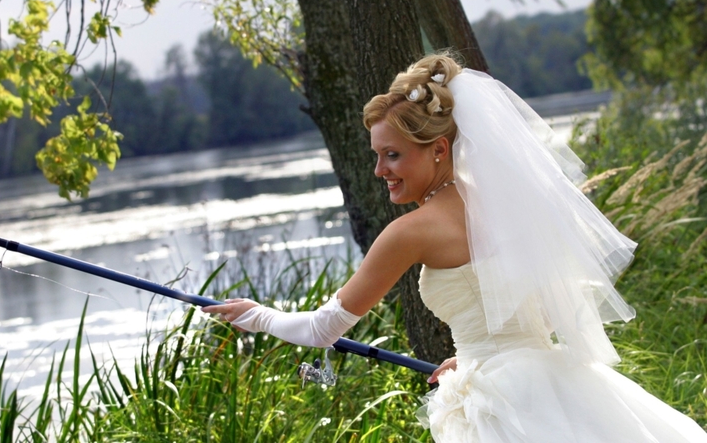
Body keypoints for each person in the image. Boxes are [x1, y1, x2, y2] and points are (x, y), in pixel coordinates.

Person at [203, 53, 707, 442]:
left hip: (499, 405)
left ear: (439, 149)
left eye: (393, 155)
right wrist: (482, 357)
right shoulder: (509, 202)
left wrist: (255, 315)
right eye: (377, 156)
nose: (380, 171)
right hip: (558, 380)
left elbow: (322, 330)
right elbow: (544, 305)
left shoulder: (411, 232)